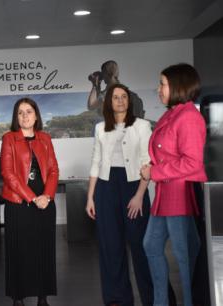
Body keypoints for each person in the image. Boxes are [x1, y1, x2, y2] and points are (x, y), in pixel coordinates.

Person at [141, 63, 207, 306]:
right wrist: (152, 167)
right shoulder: (172, 114)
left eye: (163, 83)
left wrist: (154, 171)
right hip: (165, 192)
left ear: (178, 85)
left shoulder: (189, 116)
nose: (159, 89)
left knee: (184, 256)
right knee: (151, 245)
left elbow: (192, 162)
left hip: (180, 193)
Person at [85, 83, 154, 305]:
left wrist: (140, 195)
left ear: (129, 101)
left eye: (124, 96)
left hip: (134, 186)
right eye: (116, 97)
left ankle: (154, 298)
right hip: (105, 188)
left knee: (141, 246)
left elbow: (147, 162)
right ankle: (117, 299)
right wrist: (90, 197)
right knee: (110, 246)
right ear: (109, 102)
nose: (121, 100)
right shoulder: (99, 128)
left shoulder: (142, 126)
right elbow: (96, 162)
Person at [0, 98, 59, 306]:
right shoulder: (9, 138)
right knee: (19, 251)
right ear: (16, 117)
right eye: (20, 113)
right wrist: (33, 198)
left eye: (29, 112)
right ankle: (18, 297)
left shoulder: (45, 138)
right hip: (19, 203)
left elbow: (53, 170)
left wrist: (47, 196)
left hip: (44, 202)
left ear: (36, 115)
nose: (25, 116)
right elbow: (8, 174)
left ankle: (42, 297)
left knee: (43, 250)